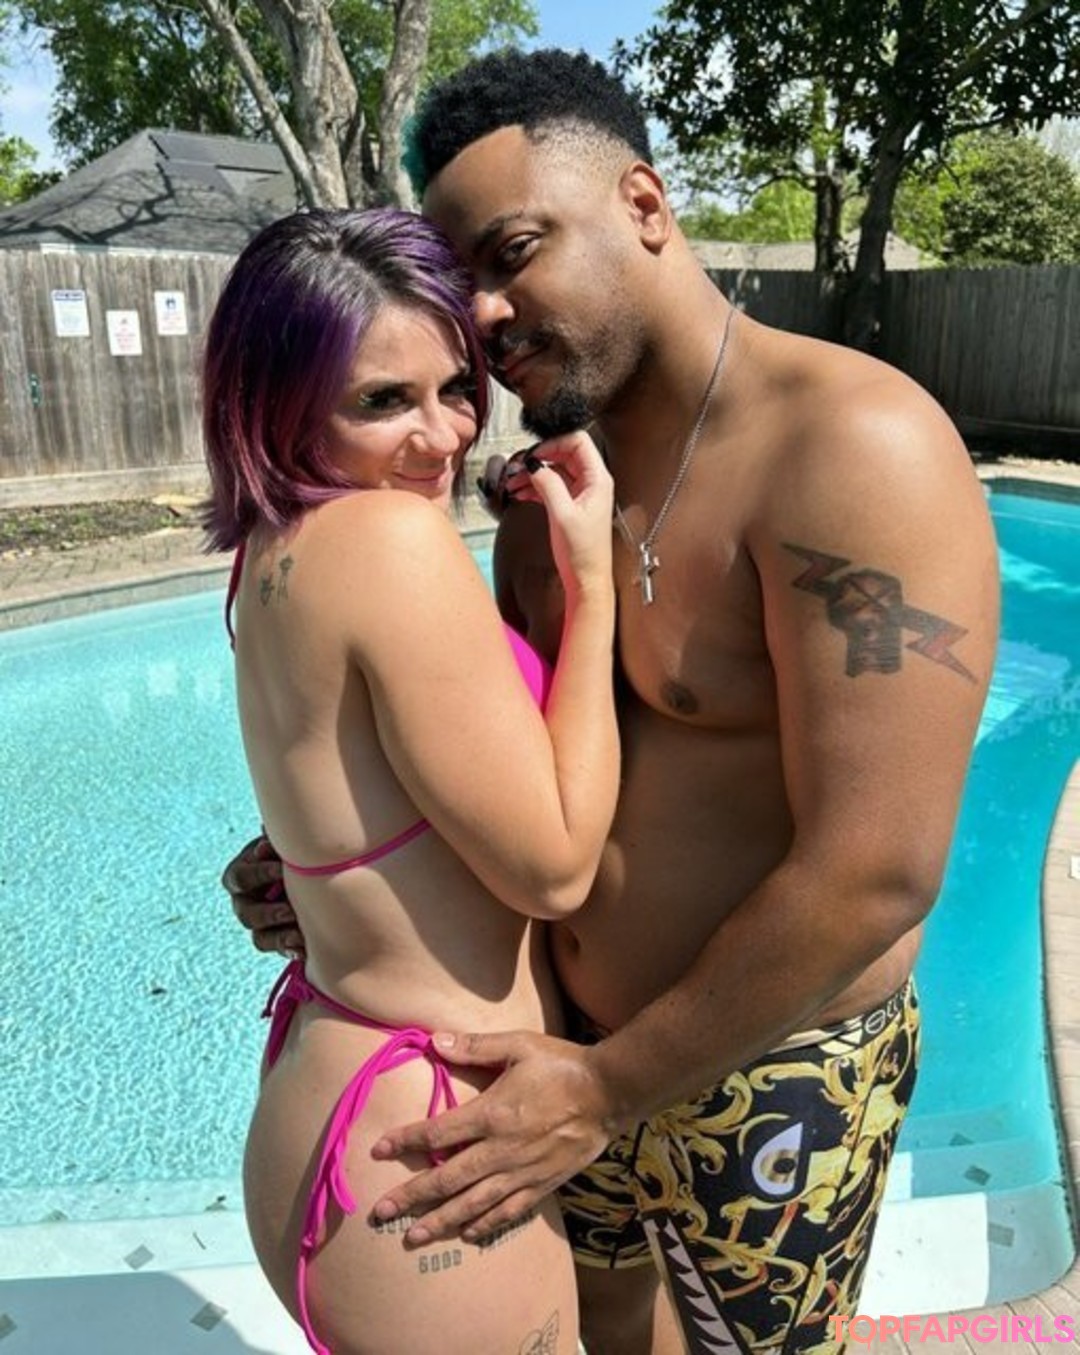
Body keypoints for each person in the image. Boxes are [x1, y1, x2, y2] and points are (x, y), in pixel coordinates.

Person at [225, 51, 1000, 1355]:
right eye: (460, 276)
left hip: (761, 1072)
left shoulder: (852, 449)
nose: (483, 310)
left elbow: (878, 869)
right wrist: (344, 852)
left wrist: (609, 1086)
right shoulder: (549, 490)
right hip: (554, 1058)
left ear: (643, 203)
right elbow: (515, 761)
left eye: (513, 251)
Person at [202, 205, 619, 1355]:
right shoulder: (392, 542)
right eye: (383, 400)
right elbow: (556, 867)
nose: (443, 436)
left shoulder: (275, 548)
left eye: (455, 386)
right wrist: (593, 590)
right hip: (429, 1154)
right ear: (279, 404)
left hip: (337, 1096)